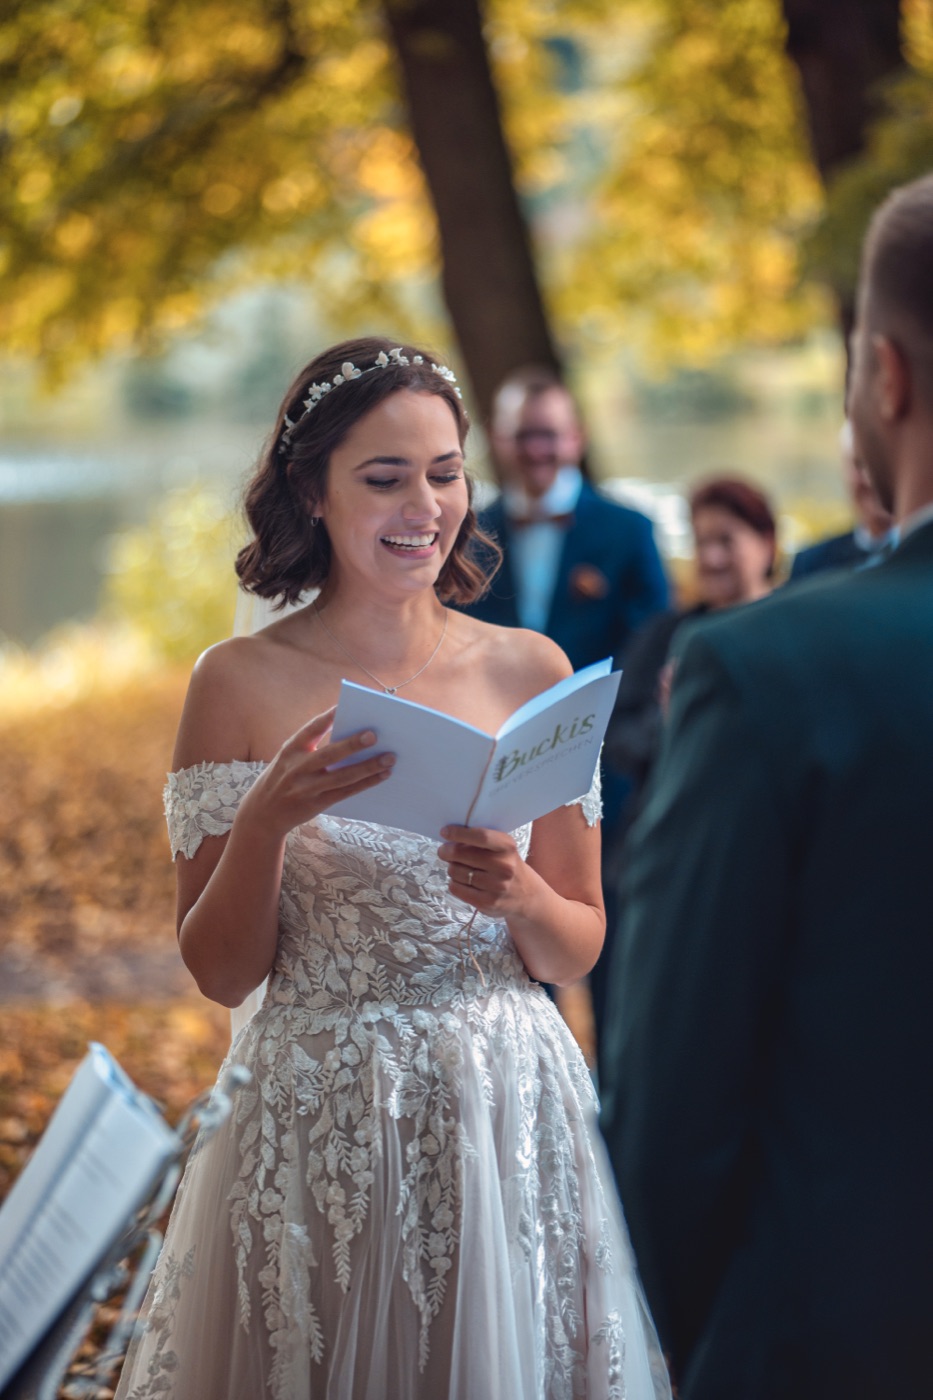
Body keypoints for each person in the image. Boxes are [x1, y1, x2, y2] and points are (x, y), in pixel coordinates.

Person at [114, 337, 670, 1400]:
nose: (425, 506)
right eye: (384, 478)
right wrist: (269, 818)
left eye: (445, 472)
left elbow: (581, 940)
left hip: (504, 1105)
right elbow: (221, 973)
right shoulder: (235, 684)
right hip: (323, 1114)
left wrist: (519, 893)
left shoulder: (529, 668)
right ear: (312, 492)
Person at [599, 173, 933, 1400]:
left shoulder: (762, 667)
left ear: (885, 377)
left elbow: (673, 1092)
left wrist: (692, 1337)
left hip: (836, 1338)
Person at [460, 366, 669, 1033]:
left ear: (574, 438)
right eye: (524, 436)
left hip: (607, 777)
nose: (537, 450)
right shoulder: (470, 529)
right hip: (497, 778)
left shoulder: (627, 529)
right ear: (499, 439)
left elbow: (654, 642)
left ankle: (615, 1121)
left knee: (612, 960)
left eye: (549, 435)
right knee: (515, 945)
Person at [789, 418, 897, 578]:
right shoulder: (812, 564)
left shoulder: (923, 557)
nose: (869, 479)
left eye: (883, 462)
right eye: (859, 465)